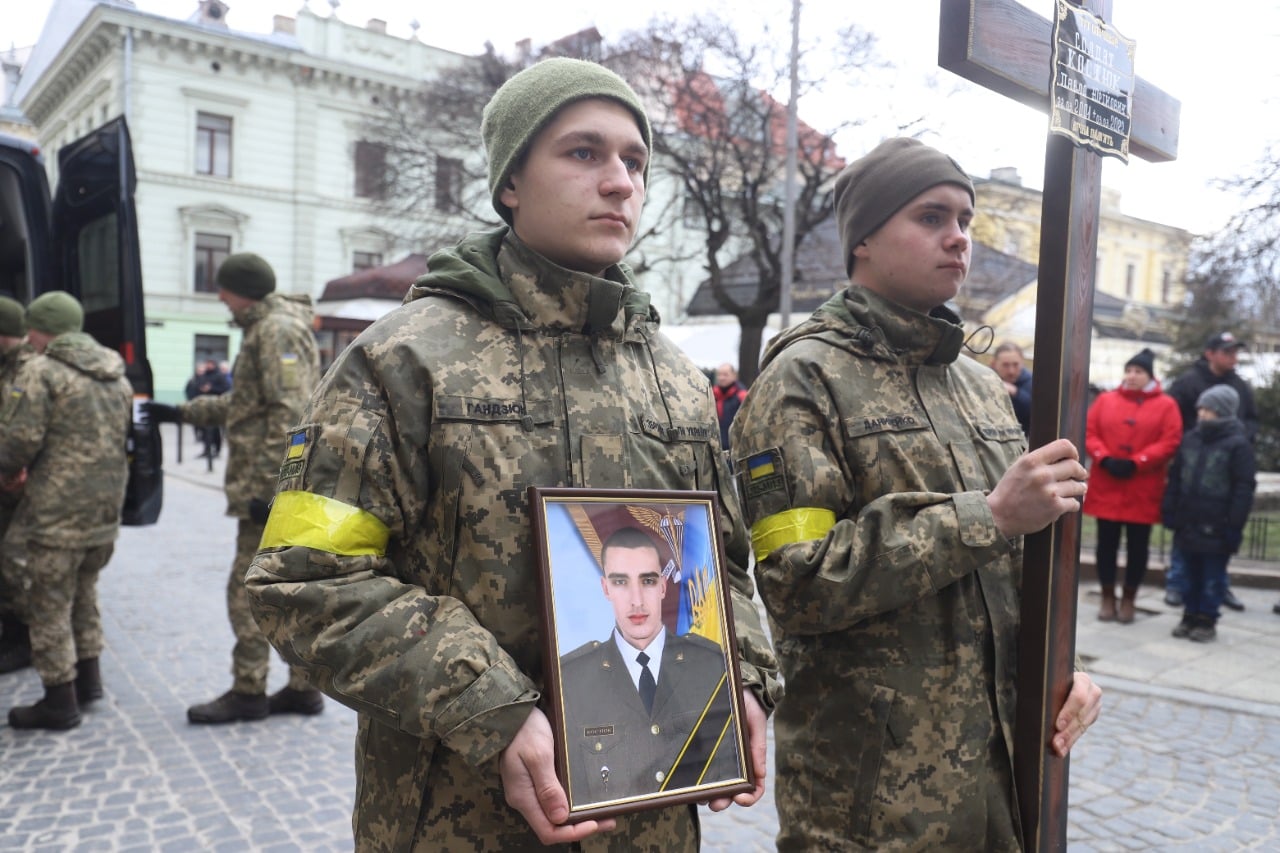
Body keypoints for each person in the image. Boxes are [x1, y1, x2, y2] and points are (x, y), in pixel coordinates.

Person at [241, 57, 779, 851]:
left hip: (653, 817)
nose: (621, 181)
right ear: (511, 184)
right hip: (460, 817)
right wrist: (488, 705)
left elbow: (722, 565)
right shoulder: (403, 360)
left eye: (634, 160)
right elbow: (302, 579)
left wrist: (746, 676)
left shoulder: (674, 377)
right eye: (584, 152)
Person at [728, 137, 1101, 850]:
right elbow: (797, 582)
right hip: (873, 804)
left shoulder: (981, 386)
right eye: (931, 217)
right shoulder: (803, 380)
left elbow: (1020, 565)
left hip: (1004, 781)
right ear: (862, 239)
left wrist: (1067, 666)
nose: (959, 237)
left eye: (964, 217)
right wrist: (986, 516)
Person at [143, 253, 323, 724]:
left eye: (224, 290)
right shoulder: (267, 328)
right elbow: (246, 404)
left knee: (248, 591)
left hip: (270, 495)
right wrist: (179, 412)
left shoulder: (276, 330)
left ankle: (248, 692)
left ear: (242, 291)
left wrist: (272, 491)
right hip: (273, 491)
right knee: (284, 589)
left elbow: (290, 414)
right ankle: (303, 689)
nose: (219, 297)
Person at [0, 292, 132, 730]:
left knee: (49, 604)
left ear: (41, 330)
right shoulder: (115, 371)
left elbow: (19, 441)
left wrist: (8, 470)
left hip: (56, 513)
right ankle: (89, 682)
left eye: (32, 331)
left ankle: (59, 701)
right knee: (85, 592)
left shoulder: (42, 371)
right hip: (102, 513)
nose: (29, 340)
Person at [559, 527, 740, 804]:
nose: (637, 600)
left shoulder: (711, 665)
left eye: (648, 581)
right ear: (605, 588)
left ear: (663, 586)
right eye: (620, 582)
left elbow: (727, 767)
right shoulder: (572, 680)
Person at [1081, 348, 1182, 623]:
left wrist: (1139, 461)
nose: (1132, 376)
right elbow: (1089, 432)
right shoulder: (1105, 400)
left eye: (1138, 371)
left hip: (1142, 486)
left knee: (1139, 547)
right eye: (1129, 370)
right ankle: (1106, 597)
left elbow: (1170, 440)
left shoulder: (1167, 405)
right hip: (1108, 483)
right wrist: (1104, 458)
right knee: (1106, 545)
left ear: (1150, 375)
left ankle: (1129, 599)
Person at [1165, 331, 1257, 612]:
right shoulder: (1188, 382)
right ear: (1210, 353)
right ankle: (1178, 586)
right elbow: (1171, 415)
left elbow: (1252, 420)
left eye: (1235, 353)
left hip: (1223, 473)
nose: (1233, 358)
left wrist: (1239, 442)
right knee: (1186, 545)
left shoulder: (1240, 385)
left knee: (1214, 558)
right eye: (1227, 352)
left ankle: (1214, 596)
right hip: (1192, 468)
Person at [1162, 385, 1256, 642]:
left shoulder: (1238, 446)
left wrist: (1233, 525)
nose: (1202, 414)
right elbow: (1176, 478)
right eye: (1201, 408)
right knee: (1188, 574)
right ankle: (1189, 614)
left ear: (1223, 412)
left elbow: (1243, 488)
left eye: (1209, 409)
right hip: (1188, 521)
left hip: (1217, 524)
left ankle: (1207, 618)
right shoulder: (1191, 439)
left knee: (1212, 576)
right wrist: (1170, 508)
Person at [0, 295, 36, 675]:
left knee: (14, 560)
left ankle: (23, 637)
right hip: (7, 476)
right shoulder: (7, 365)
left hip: (23, 480)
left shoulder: (28, 369)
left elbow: (28, 429)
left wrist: (17, 465)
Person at [184, 358, 231, 459]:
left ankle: (217, 450)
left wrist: (211, 389)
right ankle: (206, 450)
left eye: (210, 364)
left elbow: (225, 389)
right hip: (203, 407)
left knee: (215, 430)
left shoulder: (219, 376)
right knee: (204, 430)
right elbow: (195, 387)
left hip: (215, 407)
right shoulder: (203, 376)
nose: (208, 366)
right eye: (207, 364)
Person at [992, 341, 1033, 435]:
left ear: (1022, 363)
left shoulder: (1033, 383)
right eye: (1005, 365)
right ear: (994, 364)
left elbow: (1037, 413)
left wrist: (1016, 393)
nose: (1011, 371)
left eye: (1015, 364)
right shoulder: (984, 380)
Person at [713, 362, 748, 449]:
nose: (721, 378)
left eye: (725, 375)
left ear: (734, 375)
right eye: (719, 375)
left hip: (736, 447)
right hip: (717, 447)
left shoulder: (742, 395)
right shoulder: (712, 394)